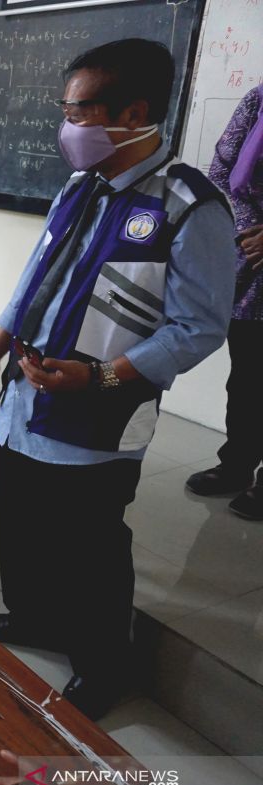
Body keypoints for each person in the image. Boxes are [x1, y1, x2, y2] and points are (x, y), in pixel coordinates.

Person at [0, 39, 236, 720]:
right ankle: (35, 619)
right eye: (67, 111)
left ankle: (103, 662)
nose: (68, 128)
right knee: (24, 527)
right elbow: (37, 278)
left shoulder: (189, 206)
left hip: (98, 414)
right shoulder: (80, 187)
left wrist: (100, 377)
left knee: (88, 547)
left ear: (133, 112)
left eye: (79, 111)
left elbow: (200, 326)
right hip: (29, 397)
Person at [186, 81, 263, 518]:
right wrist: (251, 231)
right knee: (248, 377)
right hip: (252, 265)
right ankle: (235, 465)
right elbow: (220, 172)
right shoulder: (258, 98)